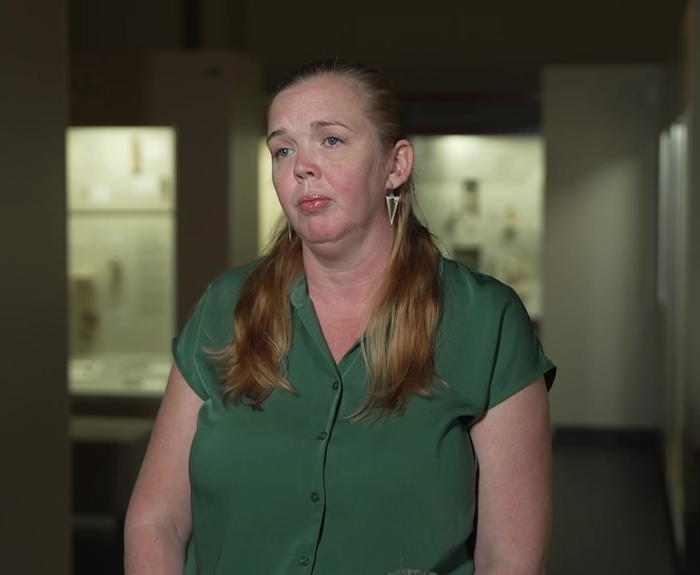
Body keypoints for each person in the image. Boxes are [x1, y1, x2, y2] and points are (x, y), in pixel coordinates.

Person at [124, 56, 556, 575]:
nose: (301, 166)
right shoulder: (226, 306)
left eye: (330, 140)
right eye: (283, 149)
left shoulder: (486, 321)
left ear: (394, 166)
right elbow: (157, 521)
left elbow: (507, 558)